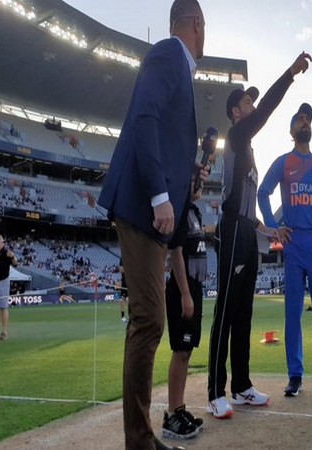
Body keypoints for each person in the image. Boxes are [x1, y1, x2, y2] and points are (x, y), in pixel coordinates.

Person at [97, 1, 206, 448]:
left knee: (147, 320)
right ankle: (139, 439)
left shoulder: (178, 66)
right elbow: (144, 116)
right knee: (148, 320)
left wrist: (181, 188)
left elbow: (160, 131)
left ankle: (139, 436)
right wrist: (162, 194)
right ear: (198, 26)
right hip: (143, 206)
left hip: (153, 210)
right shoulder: (168, 54)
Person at [207, 51, 312, 419]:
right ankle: (215, 390)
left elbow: (248, 207)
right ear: (236, 111)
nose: (252, 104)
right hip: (232, 230)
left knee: (245, 312)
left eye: (252, 100)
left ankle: (241, 386)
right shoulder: (236, 135)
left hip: (247, 231)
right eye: (247, 101)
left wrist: (268, 228)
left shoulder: (248, 150)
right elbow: (267, 109)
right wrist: (289, 73)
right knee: (226, 310)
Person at [258, 103, 312, 398]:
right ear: (291, 130)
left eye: (308, 119)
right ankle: (294, 375)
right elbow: (262, 192)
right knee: (292, 312)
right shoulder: (284, 162)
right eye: (299, 119)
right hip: (293, 243)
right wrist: (272, 225)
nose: (304, 122)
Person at [162, 180, 207, 441]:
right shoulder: (179, 210)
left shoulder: (194, 212)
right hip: (182, 288)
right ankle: (171, 415)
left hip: (194, 287)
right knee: (180, 351)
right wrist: (186, 295)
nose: (199, 184)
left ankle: (178, 408)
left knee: (186, 352)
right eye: (195, 181)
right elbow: (176, 254)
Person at [118, 258, 128, 323]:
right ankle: (122, 316)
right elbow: (121, 270)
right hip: (125, 282)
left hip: (132, 281)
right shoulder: (122, 258)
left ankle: (131, 315)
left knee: (131, 299)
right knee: (123, 298)